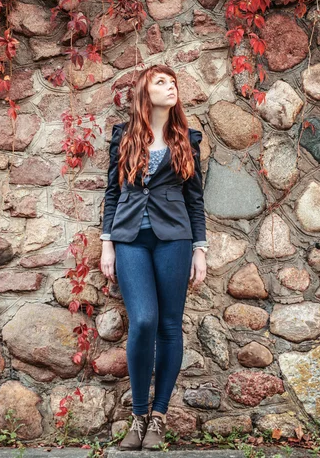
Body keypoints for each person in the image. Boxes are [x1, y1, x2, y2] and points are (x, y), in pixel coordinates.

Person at [99, 64, 209, 451]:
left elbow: (195, 200)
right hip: (130, 239)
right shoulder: (124, 138)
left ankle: (158, 418)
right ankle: (138, 413)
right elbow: (112, 193)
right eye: (161, 82)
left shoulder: (186, 139)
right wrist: (106, 243)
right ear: (145, 93)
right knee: (143, 320)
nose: (170, 86)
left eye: (173, 81)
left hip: (174, 240)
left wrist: (200, 248)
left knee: (168, 325)